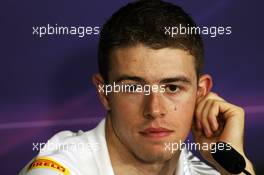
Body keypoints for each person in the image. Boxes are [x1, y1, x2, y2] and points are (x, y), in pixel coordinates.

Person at [19, 0, 255, 174]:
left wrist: (234, 163)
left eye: (172, 87)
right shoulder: (58, 170)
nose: (154, 109)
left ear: (200, 92)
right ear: (104, 93)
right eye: (133, 88)